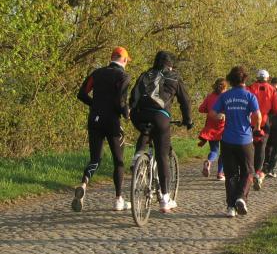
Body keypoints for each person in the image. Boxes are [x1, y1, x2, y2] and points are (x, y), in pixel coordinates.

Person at [129, 51, 193, 213]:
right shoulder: (174, 77)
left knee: (146, 130)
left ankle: (137, 157)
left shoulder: (145, 74)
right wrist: (188, 120)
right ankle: (165, 199)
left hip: (138, 115)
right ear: (170, 65)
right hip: (160, 116)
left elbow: (133, 96)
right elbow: (185, 101)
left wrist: (134, 111)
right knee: (162, 155)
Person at [72, 46, 132, 212]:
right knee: (118, 161)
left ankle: (84, 184)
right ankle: (118, 200)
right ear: (124, 60)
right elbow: (121, 102)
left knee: (95, 159)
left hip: (95, 120)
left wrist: (96, 105)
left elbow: (81, 94)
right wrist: (126, 113)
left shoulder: (96, 73)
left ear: (111, 58)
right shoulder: (124, 76)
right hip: (112, 122)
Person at [211, 66, 262, 217]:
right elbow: (257, 115)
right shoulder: (250, 96)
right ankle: (241, 197)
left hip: (227, 140)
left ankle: (230, 207)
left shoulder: (225, 96)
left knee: (231, 174)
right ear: (245, 79)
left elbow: (212, 113)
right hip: (245, 140)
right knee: (248, 171)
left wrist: (219, 116)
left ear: (230, 80)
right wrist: (257, 127)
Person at [247, 69, 277, 190]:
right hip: (264, 121)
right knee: (261, 147)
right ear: (267, 78)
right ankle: (257, 172)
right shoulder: (272, 89)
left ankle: (248, 172)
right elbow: (276, 108)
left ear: (257, 77)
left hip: (250, 121)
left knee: (249, 146)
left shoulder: (250, 88)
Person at [198, 78, 227, 181]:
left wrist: (210, 110)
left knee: (214, 150)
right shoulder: (226, 97)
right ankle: (220, 174)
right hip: (223, 128)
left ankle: (209, 161)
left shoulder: (209, 97)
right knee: (224, 152)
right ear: (225, 87)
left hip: (211, 128)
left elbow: (201, 109)